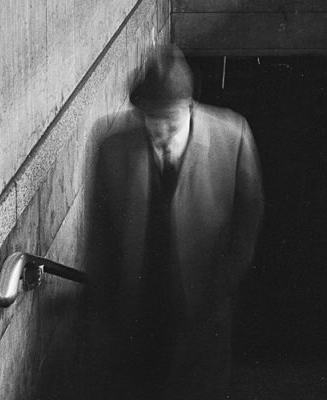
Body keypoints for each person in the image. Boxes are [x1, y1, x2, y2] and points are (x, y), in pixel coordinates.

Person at [86, 44, 265, 400]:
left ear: (190, 108)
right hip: (138, 310)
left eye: (170, 121)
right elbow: (100, 234)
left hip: (203, 307)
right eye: (151, 119)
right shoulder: (112, 147)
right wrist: (103, 308)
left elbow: (249, 220)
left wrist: (223, 285)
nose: (159, 130)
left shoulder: (232, 137)